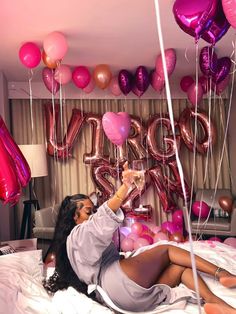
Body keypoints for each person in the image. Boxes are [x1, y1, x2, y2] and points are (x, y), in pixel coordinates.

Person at [44, 162, 236, 314]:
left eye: (93, 210)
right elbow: (100, 221)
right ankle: (222, 273)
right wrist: (126, 186)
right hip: (116, 282)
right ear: (74, 217)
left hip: (122, 299)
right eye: (88, 211)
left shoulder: (75, 245)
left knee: (179, 268)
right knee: (167, 249)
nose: (92, 215)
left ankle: (215, 303)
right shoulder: (78, 234)